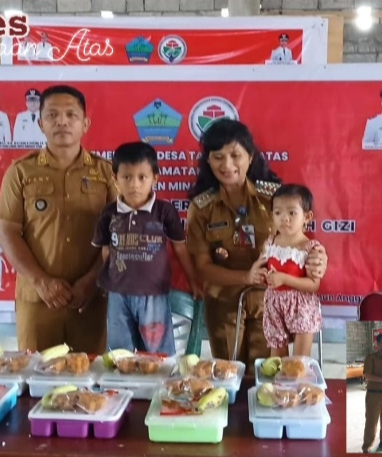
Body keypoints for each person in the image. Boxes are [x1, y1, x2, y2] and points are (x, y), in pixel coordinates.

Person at [185, 119, 328, 372]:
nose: (227, 165)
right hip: (224, 305)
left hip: (269, 303)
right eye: (218, 157)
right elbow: (202, 267)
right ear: (208, 161)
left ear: (250, 157)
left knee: (268, 373)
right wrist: (246, 276)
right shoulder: (201, 208)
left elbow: (300, 240)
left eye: (235, 155)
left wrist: (319, 257)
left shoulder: (273, 197)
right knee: (229, 374)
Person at [0, 85, 117, 353]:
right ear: (40, 124)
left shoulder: (106, 173)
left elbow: (118, 233)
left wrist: (92, 280)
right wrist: (41, 281)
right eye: (52, 115)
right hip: (38, 299)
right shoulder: (20, 172)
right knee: (35, 372)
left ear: (85, 124)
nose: (62, 121)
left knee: (89, 373)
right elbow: (7, 230)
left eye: (71, 115)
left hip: (89, 299)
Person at [92, 142, 202, 355]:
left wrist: (193, 281)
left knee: (157, 354)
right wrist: (109, 279)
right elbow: (105, 251)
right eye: (127, 177)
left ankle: (157, 378)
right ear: (115, 179)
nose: (134, 184)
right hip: (118, 294)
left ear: (155, 178)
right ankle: (122, 379)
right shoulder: (109, 213)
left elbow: (180, 249)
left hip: (154, 294)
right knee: (119, 355)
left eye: (142, 177)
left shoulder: (164, 211)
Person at [261, 184, 324, 357]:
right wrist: (261, 275)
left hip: (301, 309)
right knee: (277, 362)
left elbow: (313, 285)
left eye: (291, 213)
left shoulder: (310, 248)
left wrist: (284, 279)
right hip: (274, 306)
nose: (284, 218)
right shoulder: (270, 243)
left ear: (307, 217)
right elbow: (262, 269)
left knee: (299, 363)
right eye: (278, 213)